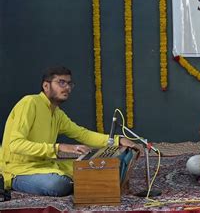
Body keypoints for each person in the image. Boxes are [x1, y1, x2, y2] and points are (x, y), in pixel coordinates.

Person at [0, 66, 137, 196]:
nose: (67, 88)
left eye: (69, 84)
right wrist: (60, 148)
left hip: (46, 166)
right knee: (58, 184)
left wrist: (118, 140)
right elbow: (15, 144)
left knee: (100, 168)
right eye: (61, 82)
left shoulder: (57, 113)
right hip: (17, 170)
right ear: (46, 86)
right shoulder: (30, 103)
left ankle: (85, 182)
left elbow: (82, 134)